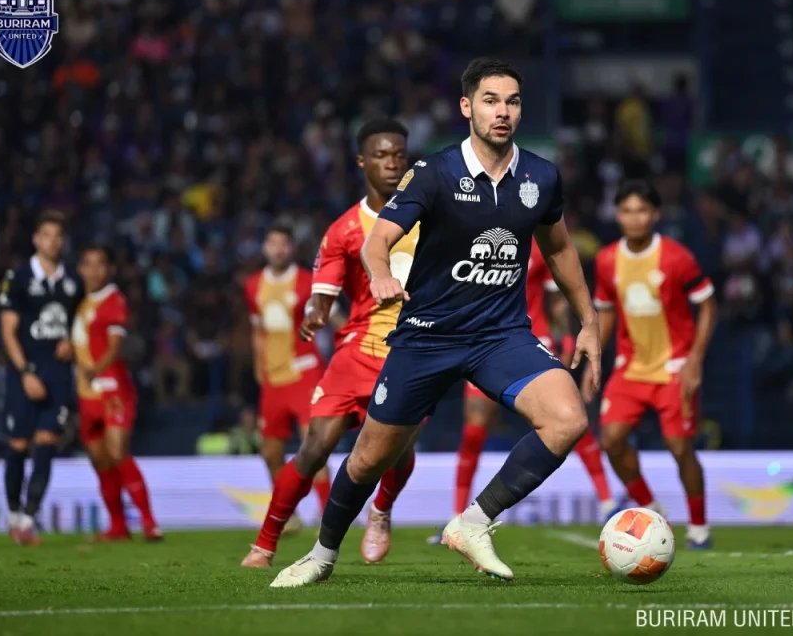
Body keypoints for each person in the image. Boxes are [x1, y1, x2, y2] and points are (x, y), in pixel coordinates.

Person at [271, 57, 601, 587]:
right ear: (467, 107)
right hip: (427, 336)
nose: (503, 112)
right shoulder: (434, 173)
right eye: (491, 100)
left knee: (567, 418)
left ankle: (473, 523)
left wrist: (589, 320)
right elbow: (378, 240)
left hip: (501, 335)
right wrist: (378, 274)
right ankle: (323, 553)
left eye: (513, 101)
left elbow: (559, 247)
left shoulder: (541, 176)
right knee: (366, 461)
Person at [241, 119, 421, 568]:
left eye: (398, 155)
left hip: (415, 353)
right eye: (381, 155)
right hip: (357, 349)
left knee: (397, 452)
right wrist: (316, 312)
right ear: (363, 162)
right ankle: (264, 544)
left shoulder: (430, 219)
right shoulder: (343, 229)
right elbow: (324, 289)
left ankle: (380, 510)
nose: (391, 163)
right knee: (314, 446)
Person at [433, 238, 614, 543]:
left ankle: (608, 503)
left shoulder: (538, 238)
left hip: (533, 339)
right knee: (474, 431)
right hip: (486, 345)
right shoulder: (474, 234)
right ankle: (457, 515)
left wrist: (568, 338)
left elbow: (556, 299)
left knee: (568, 420)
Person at [584, 180, 716, 550]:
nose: (634, 218)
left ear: (654, 215)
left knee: (679, 448)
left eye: (641, 211)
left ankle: (700, 527)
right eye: (626, 211)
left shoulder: (676, 257)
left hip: (674, 369)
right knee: (611, 440)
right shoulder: (608, 260)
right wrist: (594, 359)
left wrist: (695, 360)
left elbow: (707, 305)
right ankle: (650, 507)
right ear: (618, 215)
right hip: (631, 368)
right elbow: (606, 313)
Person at [0, 210, 83, 545]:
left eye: (58, 235)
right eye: (47, 235)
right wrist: (25, 372)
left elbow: (81, 326)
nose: (53, 241)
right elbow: (8, 332)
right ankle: (14, 512)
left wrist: (72, 342)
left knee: (47, 443)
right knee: (18, 444)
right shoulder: (18, 278)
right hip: (25, 372)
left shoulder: (73, 282)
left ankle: (29, 519)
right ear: (36, 239)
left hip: (58, 374)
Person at [243, 222, 328, 536]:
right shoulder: (253, 285)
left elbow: (327, 315)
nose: (279, 249)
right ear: (264, 248)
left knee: (315, 446)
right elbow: (257, 330)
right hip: (273, 379)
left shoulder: (308, 282)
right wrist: (258, 368)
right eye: (273, 243)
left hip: (305, 372)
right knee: (271, 453)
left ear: (292, 248)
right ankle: (288, 514)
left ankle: (328, 513)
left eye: (284, 243)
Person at [72, 244, 162, 541]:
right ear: (81, 268)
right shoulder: (77, 302)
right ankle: (117, 526)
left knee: (118, 452)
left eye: (100, 265)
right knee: (101, 461)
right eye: (89, 264)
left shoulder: (113, 300)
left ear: (108, 270)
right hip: (87, 395)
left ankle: (150, 523)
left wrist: (95, 368)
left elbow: (114, 346)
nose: (94, 271)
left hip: (113, 389)